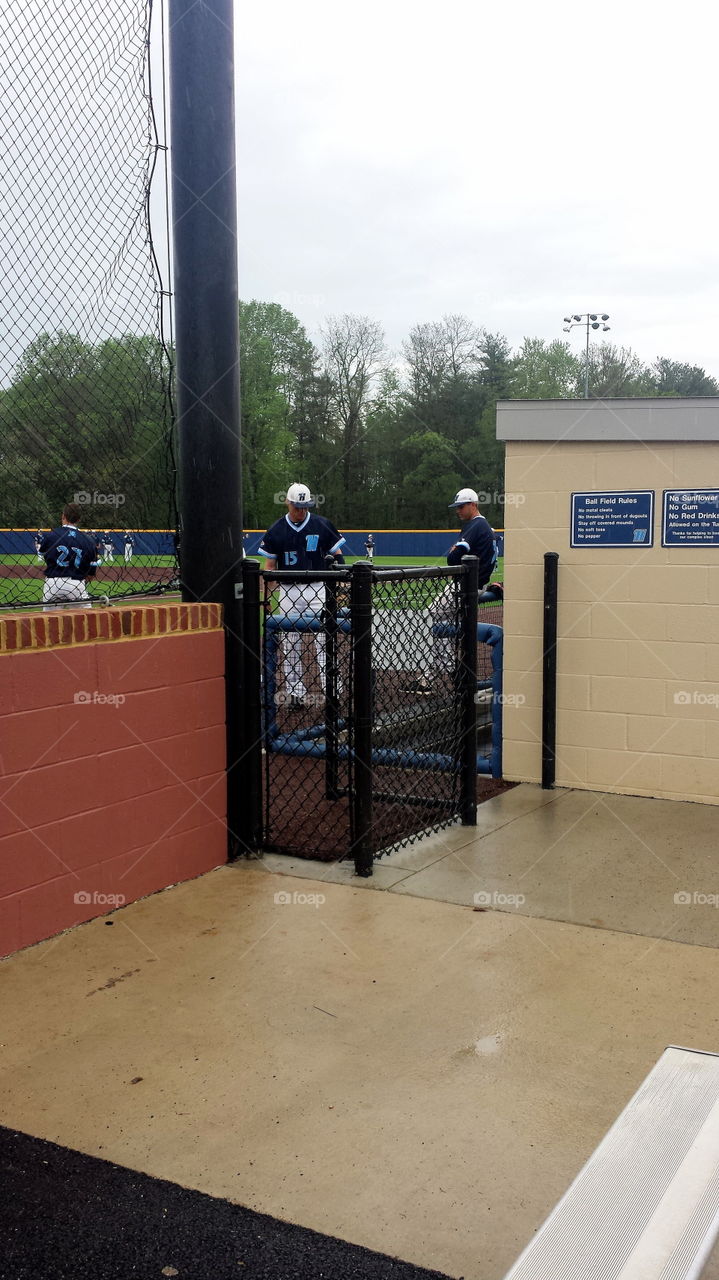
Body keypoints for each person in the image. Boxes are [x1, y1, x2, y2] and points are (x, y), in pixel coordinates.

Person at [259, 483, 346, 708]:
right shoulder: (276, 530)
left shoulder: (322, 524)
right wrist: (267, 597)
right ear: (287, 502)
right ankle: (296, 693)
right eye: (297, 506)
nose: (301, 511)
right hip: (287, 590)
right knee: (290, 642)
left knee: (324, 639)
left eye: (305, 506)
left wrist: (339, 588)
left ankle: (332, 690)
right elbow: (269, 566)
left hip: (317, 587)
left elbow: (338, 556)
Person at [408, 487, 497, 694]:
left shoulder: (475, 526)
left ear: (473, 505)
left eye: (461, 506)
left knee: (430, 619)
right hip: (475, 584)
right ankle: (426, 680)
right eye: (457, 507)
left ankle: (450, 669)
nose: (458, 510)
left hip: (465, 586)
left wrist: (453, 551)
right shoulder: (486, 527)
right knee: (443, 627)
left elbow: (452, 559)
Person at [39, 504, 100, 610]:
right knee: (86, 619)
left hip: (52, 583)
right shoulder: (88, 540)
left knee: (49, 622)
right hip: (76, 583)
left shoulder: (51, 535)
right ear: (79, 519)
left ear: (63, 516)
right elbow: (91, 572)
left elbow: (44, 554)